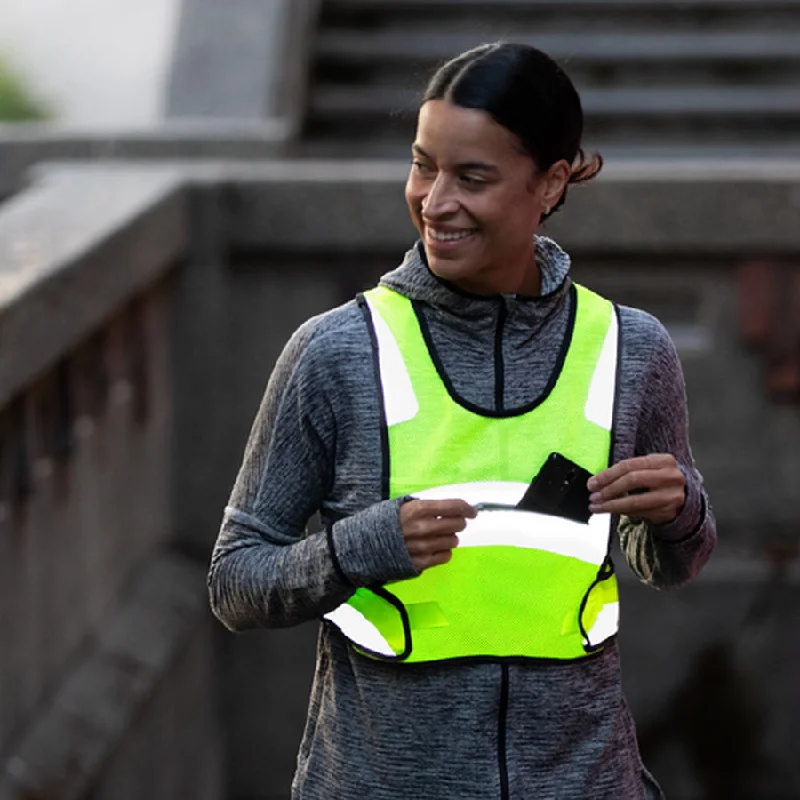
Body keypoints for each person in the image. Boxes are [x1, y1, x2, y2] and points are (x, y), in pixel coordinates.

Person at [208, 42, 716, 799]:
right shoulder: (337, 351)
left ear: (549, 183)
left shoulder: (631, 348)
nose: (434, 201)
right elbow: (234, 581)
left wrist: (680, 512)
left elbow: (670, 564)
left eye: (471, 177)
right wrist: (360, 546)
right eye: (423, 166)